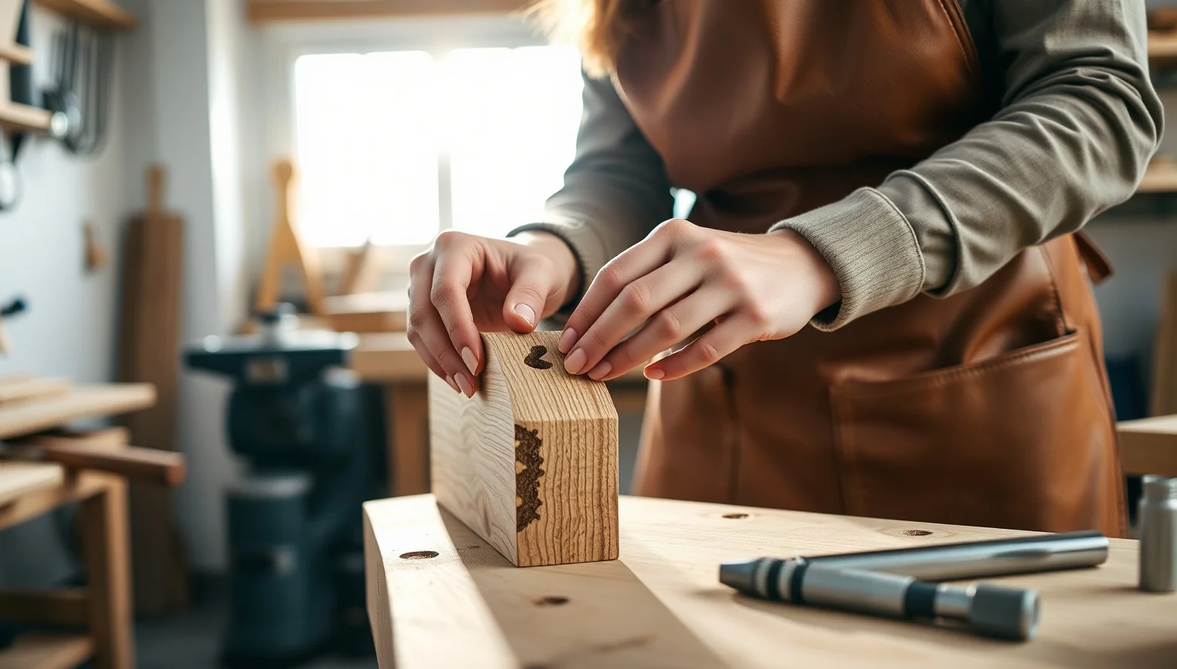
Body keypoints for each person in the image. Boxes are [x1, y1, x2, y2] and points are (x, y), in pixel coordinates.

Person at [407, 0, 1162, 536]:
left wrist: (822, 253)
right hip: (717, 401)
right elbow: (621, 164)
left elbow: (1100, 102)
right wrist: (552, 248)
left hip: (967, 376)